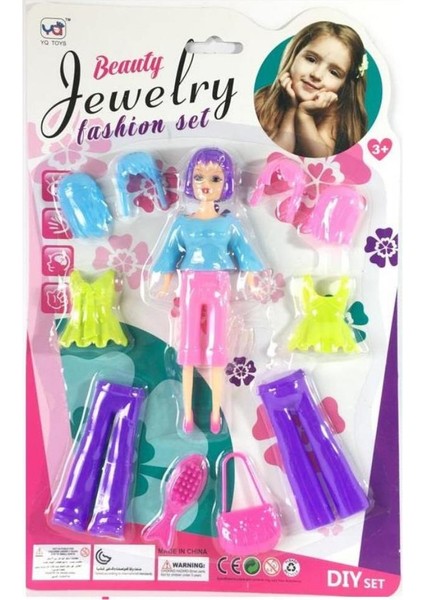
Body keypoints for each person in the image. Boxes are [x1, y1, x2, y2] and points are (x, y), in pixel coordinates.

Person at [152, 148, 264, 434]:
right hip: (190, 283)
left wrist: (252, 279)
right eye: (200, 177)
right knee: (189, 344)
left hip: (218, 283)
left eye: (215, 178)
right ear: (190, 180)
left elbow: (244, 253)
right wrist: (164, 282)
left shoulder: (229, 223)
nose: (206, 184)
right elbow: (169, 254)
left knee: (216, 346)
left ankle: (216, 412)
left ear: (226, 184)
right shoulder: (182, 223)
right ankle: (187, 413)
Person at [254, 21, 368, 157]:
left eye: (334, 72)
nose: (317, 75)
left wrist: (305, 115)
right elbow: (277, 155)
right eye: (311, 59)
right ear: (293, 55)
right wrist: (291, 109)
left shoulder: (332, 112)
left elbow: (319, 157)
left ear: (344, 85)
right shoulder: (264, 101)